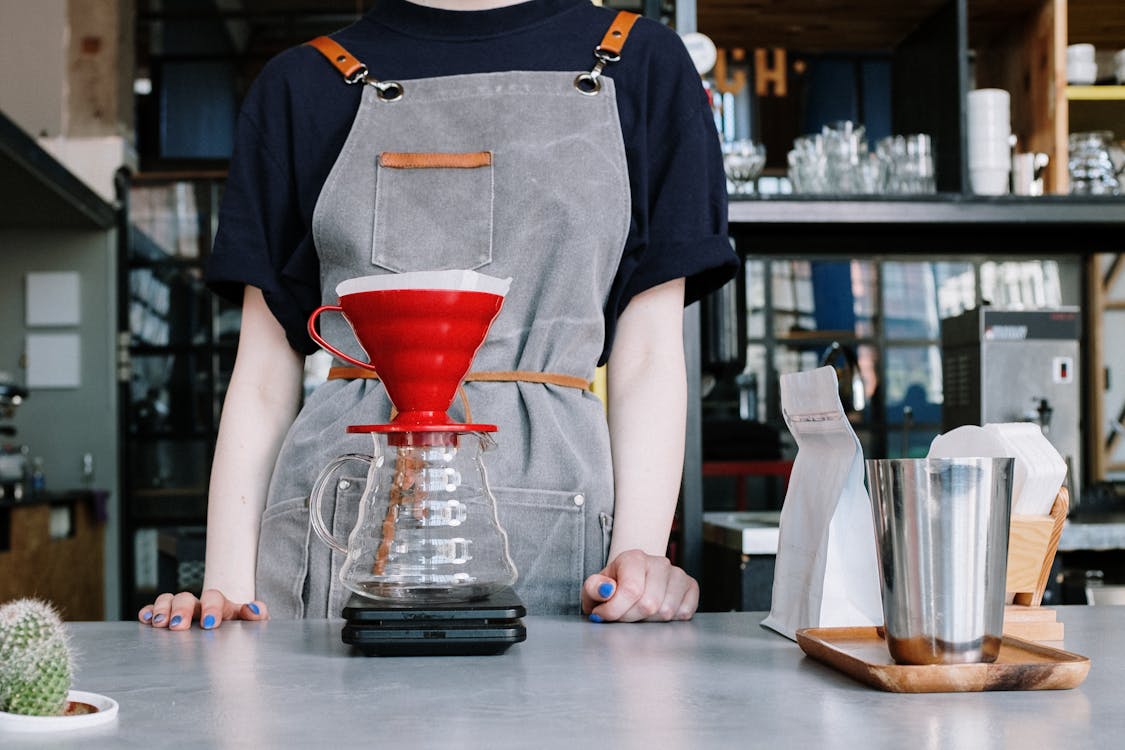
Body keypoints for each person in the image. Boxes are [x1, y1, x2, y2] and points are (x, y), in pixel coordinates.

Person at [137, 0, 737, 630]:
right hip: (338, 512)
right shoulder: (300, 83)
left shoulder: (641, 63)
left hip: (565, 515)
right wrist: (228, 587)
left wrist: (635, 561)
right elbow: (263, 372)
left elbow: (647, 356)